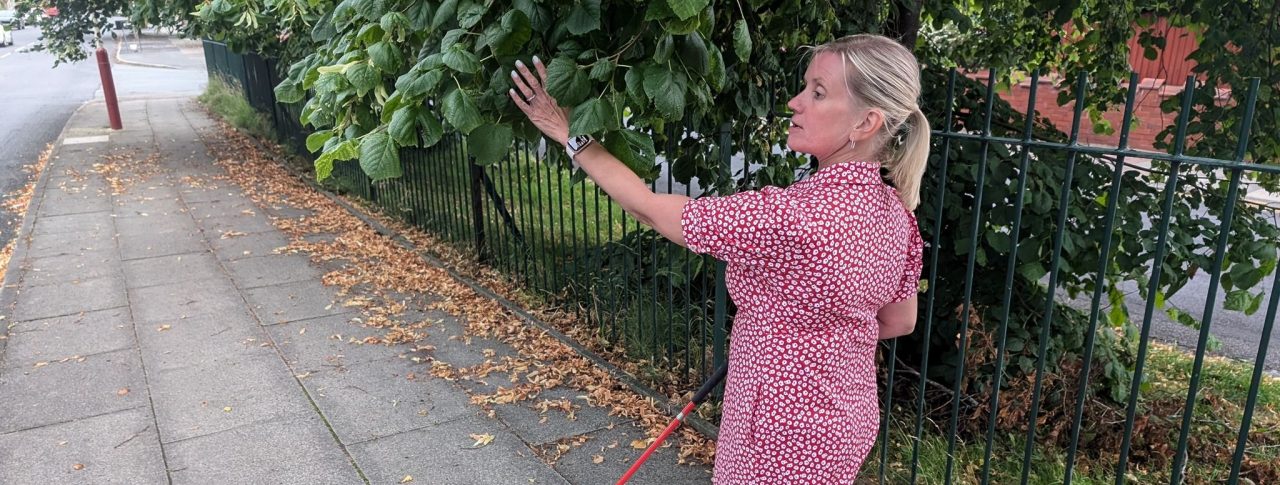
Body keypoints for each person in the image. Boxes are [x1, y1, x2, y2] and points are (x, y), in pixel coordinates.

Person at [509, 33, 927, 484]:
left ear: (865, 123)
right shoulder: (898, 216)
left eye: (817, 92)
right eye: (805, 87)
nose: (795, 101)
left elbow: (646, 208)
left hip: (776, 431)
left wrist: (569, 132)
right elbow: (899, 321)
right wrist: (797, 329)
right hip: (846, 420)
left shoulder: (790, 216)